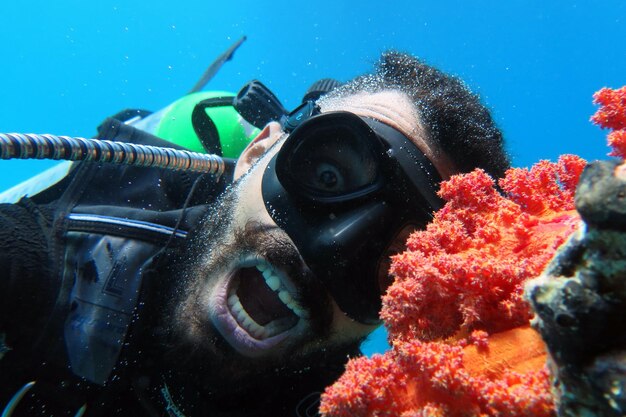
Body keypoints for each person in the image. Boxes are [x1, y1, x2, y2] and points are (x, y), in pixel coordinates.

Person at [0, 51, 509, 417]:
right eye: (329, 175)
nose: (325, 254)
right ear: (257, 151)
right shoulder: (42, 258)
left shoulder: (348, 405)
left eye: (397, 259)